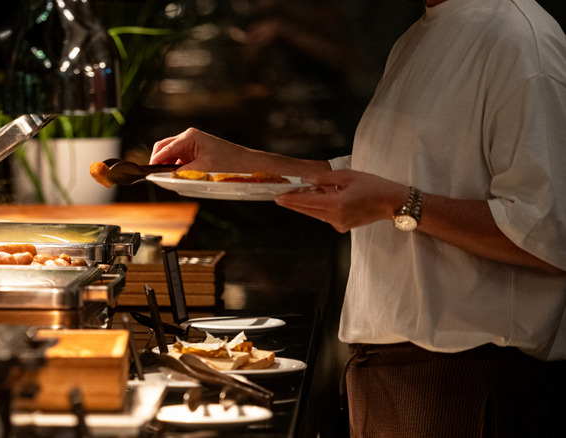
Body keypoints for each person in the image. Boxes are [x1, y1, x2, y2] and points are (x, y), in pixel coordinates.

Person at [149, 0, 566, 436]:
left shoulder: (520, 40)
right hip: (388, 369)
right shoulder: (422, 34)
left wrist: (400, 205)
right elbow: (384, 172)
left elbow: (549, 235)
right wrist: (237, 162)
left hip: (464, 381)